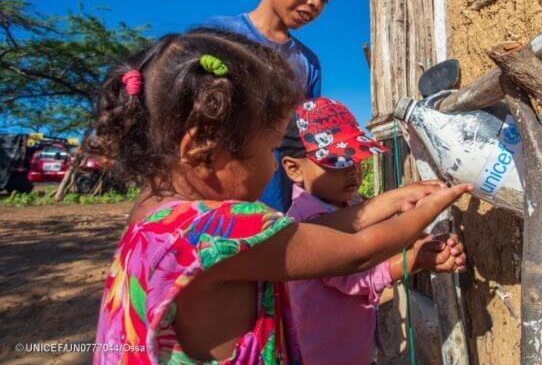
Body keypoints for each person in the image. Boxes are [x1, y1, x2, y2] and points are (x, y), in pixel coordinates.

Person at [90, 28, 471, 364]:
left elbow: (310, 228)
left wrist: (390, 201)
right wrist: (435, 203)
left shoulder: (150, 216)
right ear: (203, 147)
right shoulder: (218, 230)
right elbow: (358, 251)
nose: (273, 169)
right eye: (267, 151)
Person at [279, 97, 466, 364]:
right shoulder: (304, 220)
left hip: (353, 344)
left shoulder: (346, 201)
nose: (352, 171)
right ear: (295, 169)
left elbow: (376, 226)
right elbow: (360, 271)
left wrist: (419, 238)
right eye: (337, 163)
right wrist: (416, 259)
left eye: (353, 158)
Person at [206, 0, 338, 213]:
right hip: (214, 196)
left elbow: (305, 139)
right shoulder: (219, 36)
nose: (316, 3)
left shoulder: (308, 63)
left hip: (276, 202)